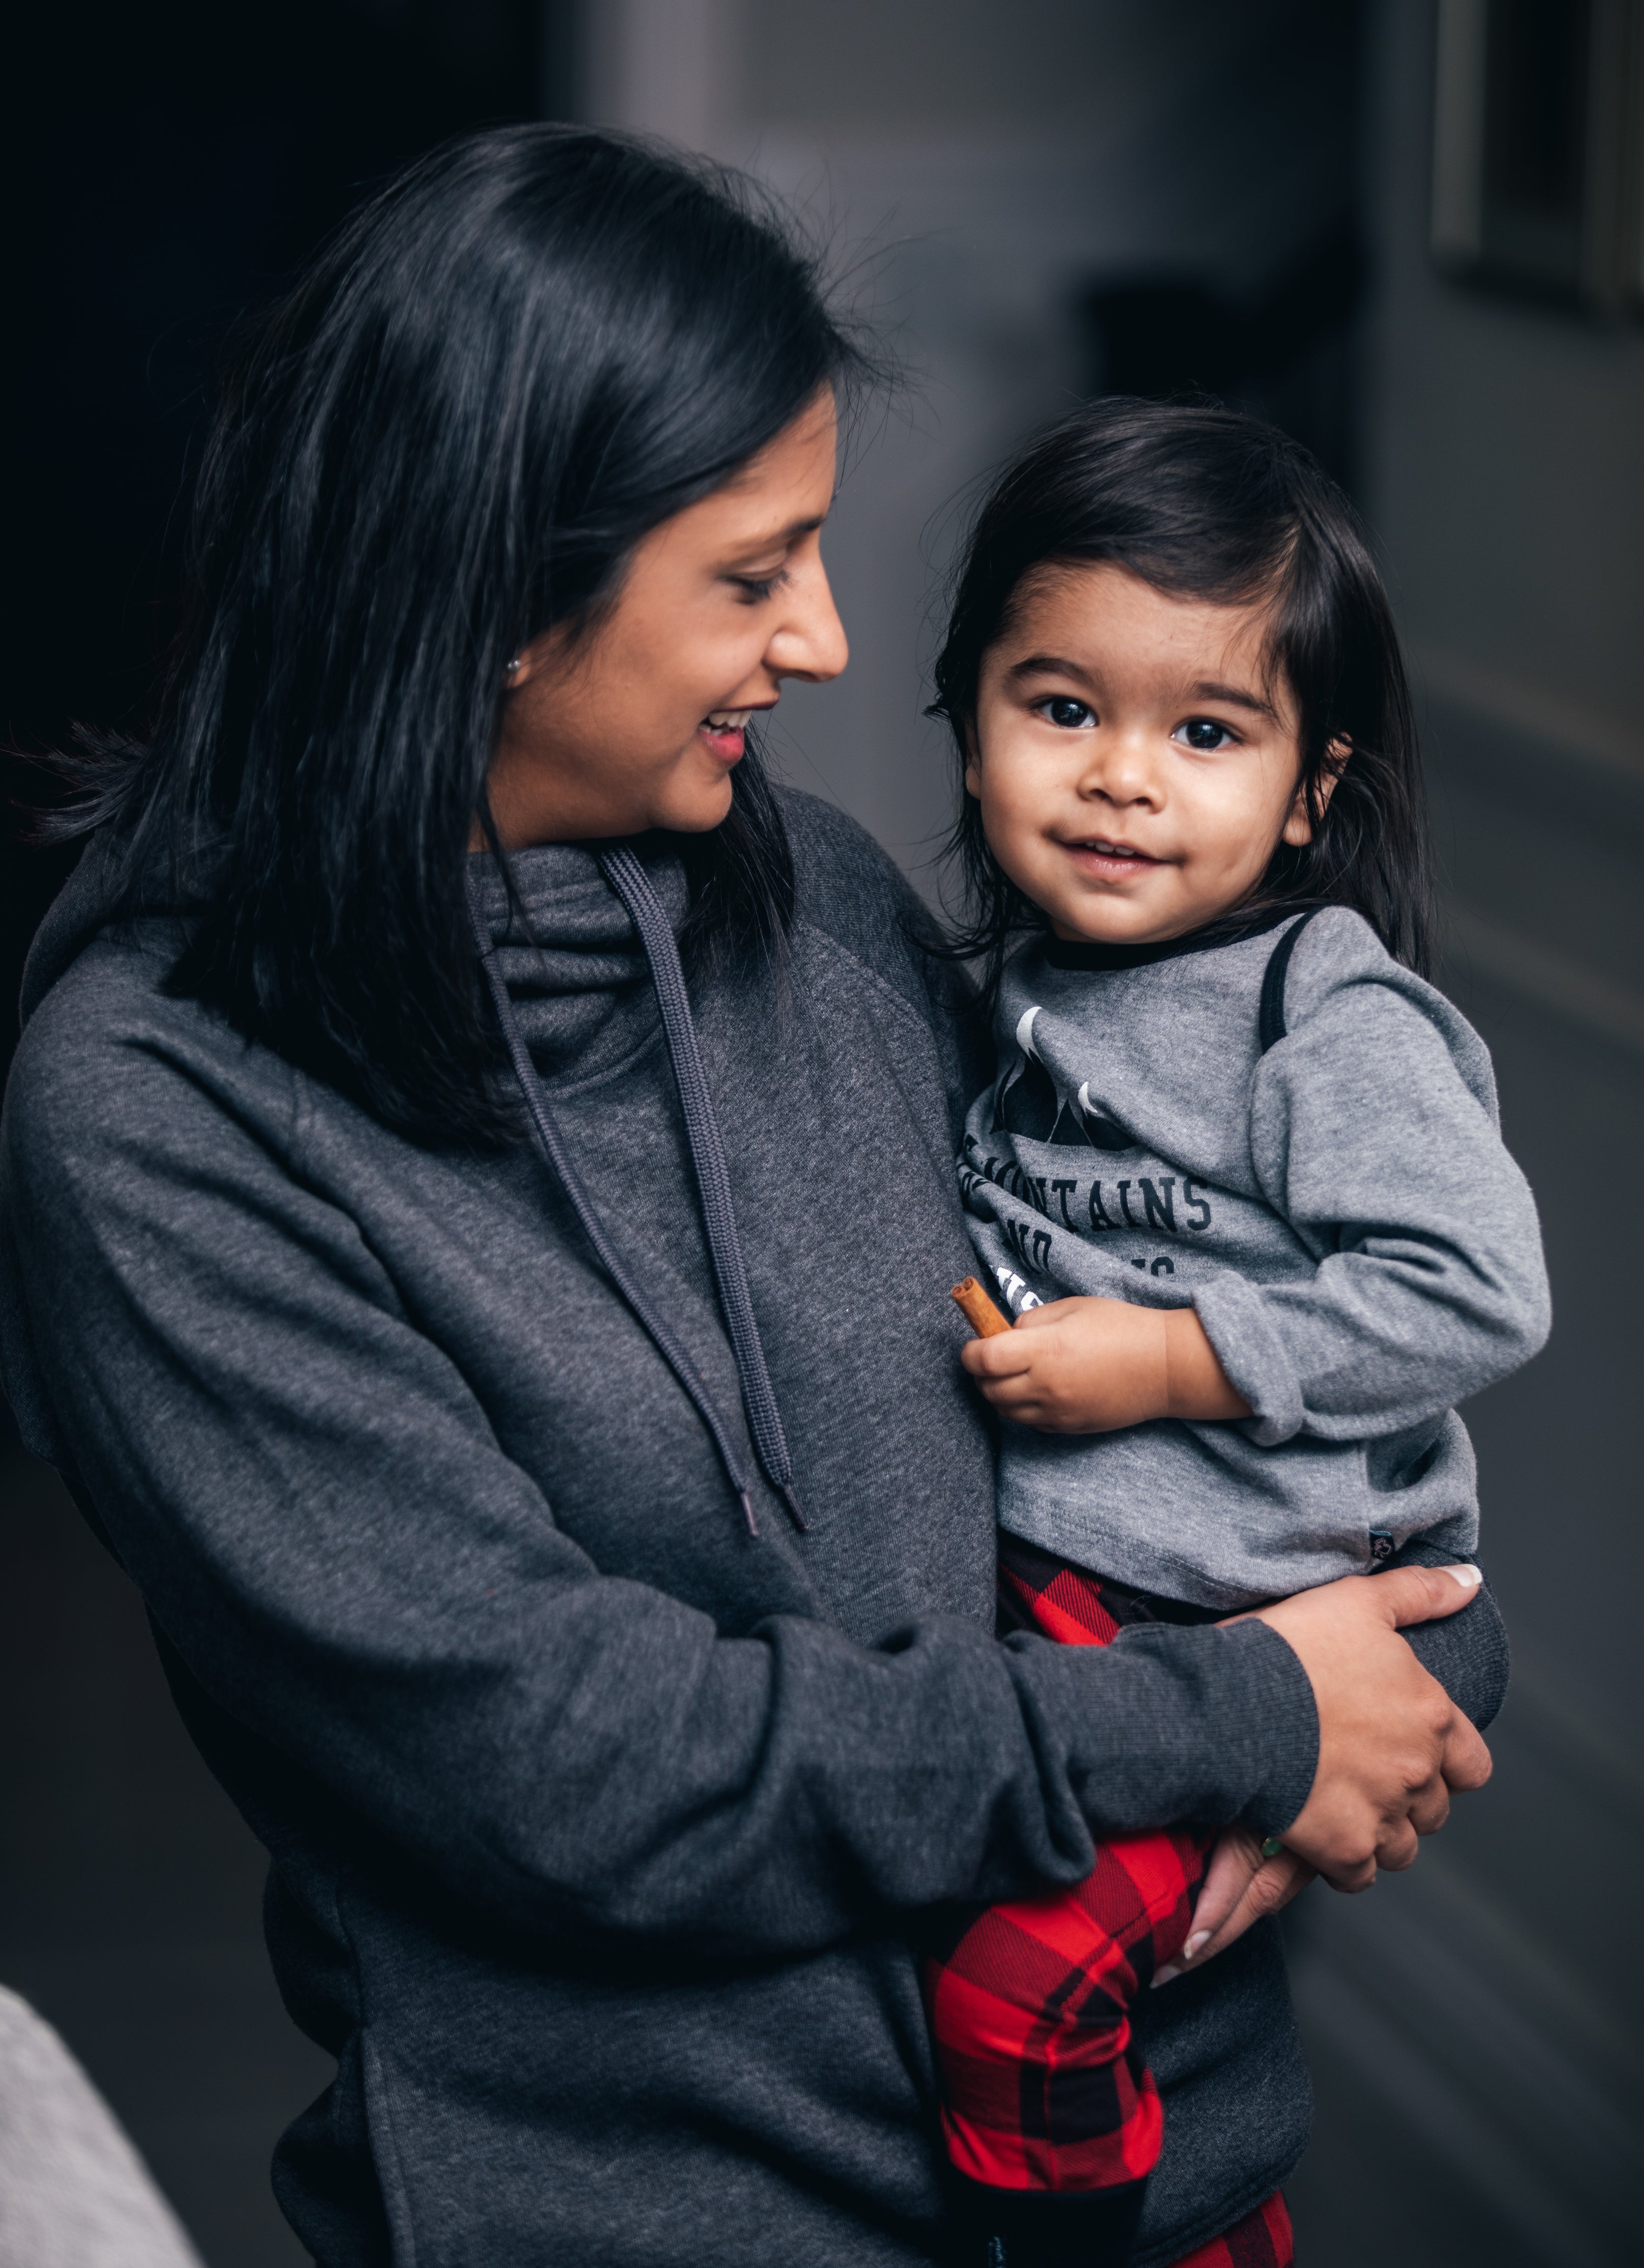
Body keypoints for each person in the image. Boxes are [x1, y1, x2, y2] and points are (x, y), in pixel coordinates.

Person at [0, 128, 1499, 2268]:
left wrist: (1428, 1645)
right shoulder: (158, 1116)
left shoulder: (814, 904)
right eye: (750, 568)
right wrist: (1244, 1712)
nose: (818, 639)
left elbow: (1220, 1345)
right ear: (500, 586)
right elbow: (579, 1759)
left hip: (1147, 2167)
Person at [922, 397, 1548, 2263]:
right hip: (1086, 1607)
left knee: (1014, 2004)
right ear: (968, 727)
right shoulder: (1009, 989)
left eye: (1204, 732)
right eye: (1062, 707)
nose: (1124, 776)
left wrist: (1167, 1357)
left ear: (1306, 787)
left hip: (1278, 1610)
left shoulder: (1314, 1011)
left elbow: (1477, 1289)